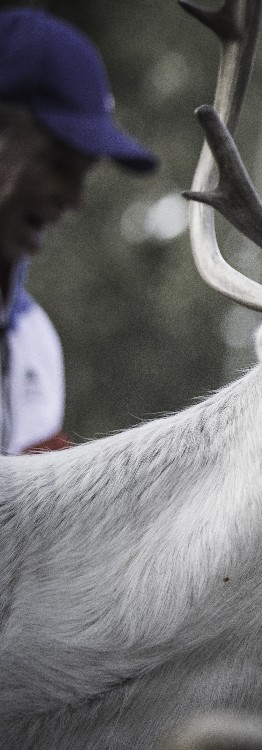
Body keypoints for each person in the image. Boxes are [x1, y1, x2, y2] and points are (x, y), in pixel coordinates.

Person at [0, 8, 155, 455]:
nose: (75, 199)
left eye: (84, 174)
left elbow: (35, 521)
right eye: (58, 165)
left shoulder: (32, 342)